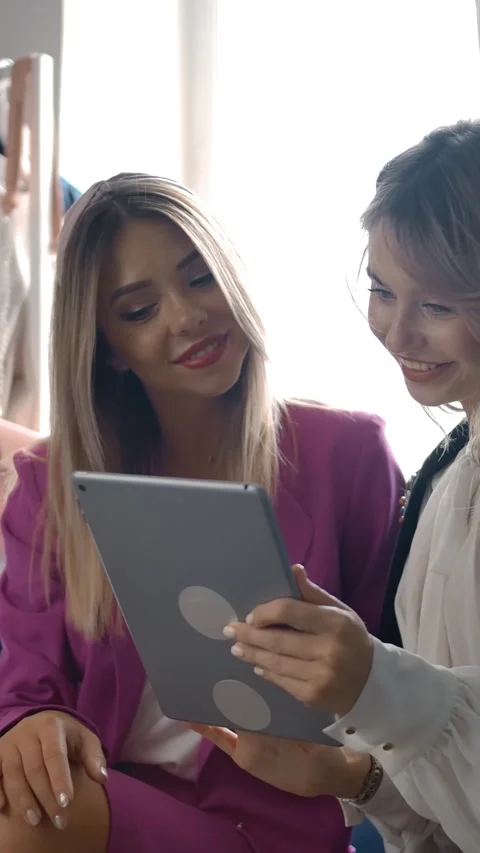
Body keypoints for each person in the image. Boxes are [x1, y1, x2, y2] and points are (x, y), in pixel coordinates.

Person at [0, 174, 402, 853]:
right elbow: (24, 675)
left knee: (27, 821)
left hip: (277, 820)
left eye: (200, 278)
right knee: (31, 797)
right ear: (105, 348)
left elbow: (397, 683)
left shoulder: (350, 454)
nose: (186, 317)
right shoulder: (50, 487)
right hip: (111, 791)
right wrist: (29, 719)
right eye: (137, 310)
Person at [216, 120, 480, 853]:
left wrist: (380, 682)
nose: (397, 335)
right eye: (382, 290)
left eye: (438, 306)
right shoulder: (448, 472)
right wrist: (347, 772)